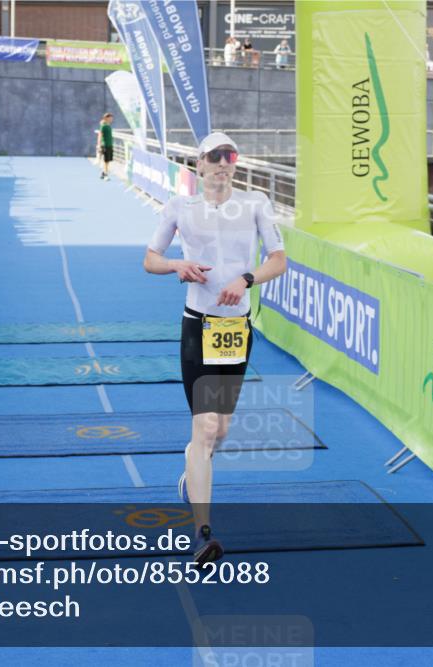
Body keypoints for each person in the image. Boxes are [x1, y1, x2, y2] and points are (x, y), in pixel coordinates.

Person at [142, 132, 287, 566]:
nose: (223, 163)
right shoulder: (179, 208)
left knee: (220, 431)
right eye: (214, 157)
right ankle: (202, 534)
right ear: (199, 165)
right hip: (198, 327)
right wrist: (176, 265)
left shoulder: (256, 203)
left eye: (230, 156)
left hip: (235, 330)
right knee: (204, 429)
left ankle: (193, 473)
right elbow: (150, 258)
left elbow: (278, 260)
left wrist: (246, 280)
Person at [96, 113, 114, 181]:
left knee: (108, 161)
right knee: (106, 161)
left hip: (110, 145)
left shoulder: (108, 126)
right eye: (110, 118)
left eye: (112, 118)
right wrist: (99, 145)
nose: (112, 119)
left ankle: (103, 173)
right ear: (106, 118)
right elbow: (100, 135)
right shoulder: (103, 126)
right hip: (105, 145)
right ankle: (106, 175)